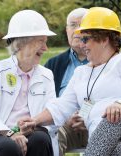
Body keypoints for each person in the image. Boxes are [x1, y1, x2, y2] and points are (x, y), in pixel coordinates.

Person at [22, 7, 121, 156]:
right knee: (119, 151)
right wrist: (35, 121)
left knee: (114, 118)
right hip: (108, 139)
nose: (81, 45)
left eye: (85, 39)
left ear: (104, 39)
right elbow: (61, 106)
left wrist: (119, 104)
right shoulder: (81, 73)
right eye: (80, 39)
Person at [0, 10, 58, 156]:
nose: (45, 48)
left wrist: (33, 125)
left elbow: (52, 117)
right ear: (23, 42)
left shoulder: (46, 75)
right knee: (8, 146)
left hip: (33, 132)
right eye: (41, 41)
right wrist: (11, 133)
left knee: (40, 139)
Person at [44, 8, 88, 156]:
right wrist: (63, 119)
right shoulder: (53, 64)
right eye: (73, 25)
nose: (77, 30)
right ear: (66, 30)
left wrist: (89, 117)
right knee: (49, 138)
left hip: (100, 123)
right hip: (64, 125)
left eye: (82, 25)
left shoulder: (107, 61)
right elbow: (44, 101)